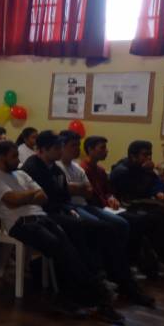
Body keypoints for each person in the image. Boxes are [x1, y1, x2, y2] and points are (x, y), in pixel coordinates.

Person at [0, 141, 125, 324]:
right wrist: (30, 195)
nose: (18, 160)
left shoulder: (21, 173)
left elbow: (43, 197)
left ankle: (81, 295)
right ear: (1, 157)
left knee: (69, 247)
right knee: (60, 249)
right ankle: (96, 295)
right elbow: (11, 200)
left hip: (42, 218)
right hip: (21, 225)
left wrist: (25, 197)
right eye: (14, 157)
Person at [56, 131, 153, 306]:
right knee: (103, 227)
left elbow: (89, 190)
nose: (77, 149)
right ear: (61, 147)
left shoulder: (77, 169)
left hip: (86, 204)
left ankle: (120, 268)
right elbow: (67, 192)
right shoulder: (59, 167)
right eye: (74, 146)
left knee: (121, 224)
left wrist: (79, 189)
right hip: (72, 206)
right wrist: (77, 189)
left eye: (78, 145)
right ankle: (108, 272)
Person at [81, 136, 164, 277]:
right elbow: (129, 192)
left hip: (110, 206)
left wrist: (111, 198)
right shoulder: (85, 169)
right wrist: (110, 200)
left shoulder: (99, 169)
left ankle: (153, 261)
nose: (107, 151)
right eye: (102, 148)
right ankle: (130, 264)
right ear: (90, 150)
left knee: (160, 217)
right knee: (138, 221)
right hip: (99, 208)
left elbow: (108, 191)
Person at [111, 140, 164, 265]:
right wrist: (145, 172)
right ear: (133, 156)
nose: (149, 158)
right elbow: (135, 191)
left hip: (150, 202)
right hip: (132, 205)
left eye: (150, 154)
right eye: (145, 155)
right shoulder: (122, 170)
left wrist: (159, 192)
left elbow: (157, 184)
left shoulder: (145, 169)